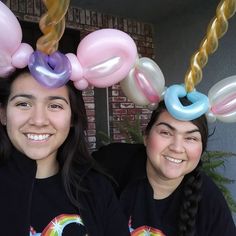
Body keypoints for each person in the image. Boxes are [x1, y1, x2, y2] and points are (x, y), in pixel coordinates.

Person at [0, 68, 130, 236]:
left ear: (72, 118)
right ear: (3, 114)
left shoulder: (96, 188)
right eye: (23, 104)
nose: (39, 121)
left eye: (55, 105)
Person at [92, 98, 236, 236]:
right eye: (166, 133)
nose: (177, 148)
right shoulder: (111, 164)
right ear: (146, 137)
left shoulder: (209, 200)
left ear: (202, 149)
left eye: (191, 138)